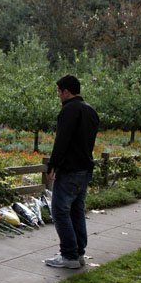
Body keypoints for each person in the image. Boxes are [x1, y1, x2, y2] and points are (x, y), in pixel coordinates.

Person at [45, 75, 99, 269]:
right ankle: (78, 253)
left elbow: (62, 140)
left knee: (60, 211)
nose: (58, 96)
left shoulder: (69, 110)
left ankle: (69, 255)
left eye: (58, 92)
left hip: (70, 169)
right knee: (76, 211)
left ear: (65, 91)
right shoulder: (90, 111)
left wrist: (53, 165)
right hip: (85, 168)